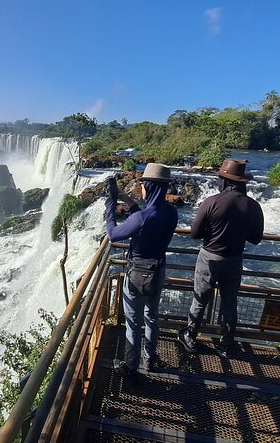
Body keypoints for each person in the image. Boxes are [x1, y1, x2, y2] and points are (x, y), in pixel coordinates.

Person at [178, 158, 264, 358]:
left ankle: (191, 337)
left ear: (225, 181)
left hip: (209, 257)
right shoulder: (252, 206)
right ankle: (226, 344)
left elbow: (195, 234)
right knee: (229, 303)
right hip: (234, 259)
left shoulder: (212, 202)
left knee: (200, 299)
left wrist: (213, 230)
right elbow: (256, 238)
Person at [105, 163, 178, 377]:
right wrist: (127, 200)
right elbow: (145, 220)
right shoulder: (171, 213)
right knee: (152, 317)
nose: (141, 188)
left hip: (136, 274)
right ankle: (150, 359)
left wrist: (110, 207)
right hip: (158, 271)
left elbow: (113, 234)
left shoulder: (141, 218)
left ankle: (131, 367)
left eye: (143, 185)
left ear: (150, 187)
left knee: (133, 323)